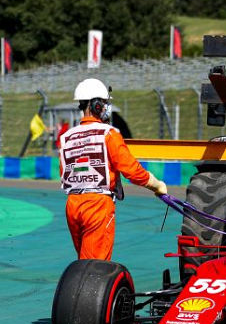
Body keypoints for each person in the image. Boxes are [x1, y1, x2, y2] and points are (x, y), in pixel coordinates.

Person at [59, 78, 168, 260]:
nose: (107, 107)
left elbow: (64, 171)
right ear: (97, 105)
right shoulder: (109, 134)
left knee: (83, 260)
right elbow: (131, 170)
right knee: (94, 265)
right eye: (105, 103)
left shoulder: (67, 137)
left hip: (73, 204)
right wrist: (156, 185)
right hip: (98, 204)